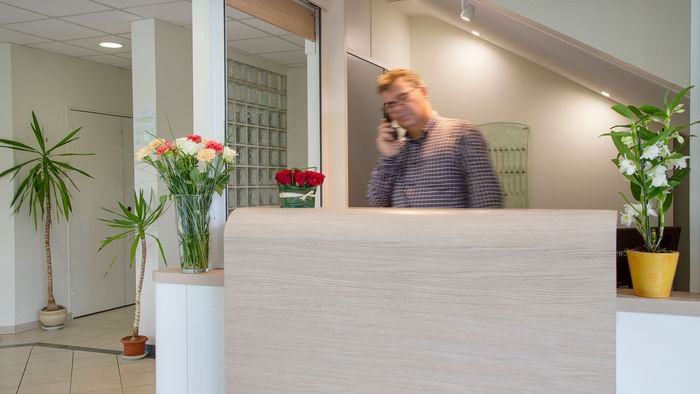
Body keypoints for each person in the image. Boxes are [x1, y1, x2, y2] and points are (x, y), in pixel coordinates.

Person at [367, 68, 503, 208]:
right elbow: (376, 203)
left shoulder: (462, 133)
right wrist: (389, 157)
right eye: (391, 105)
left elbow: (487, 201)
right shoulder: (396, 152)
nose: (398, 108)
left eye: (403, 97)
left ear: (423, 92)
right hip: (402, 230)